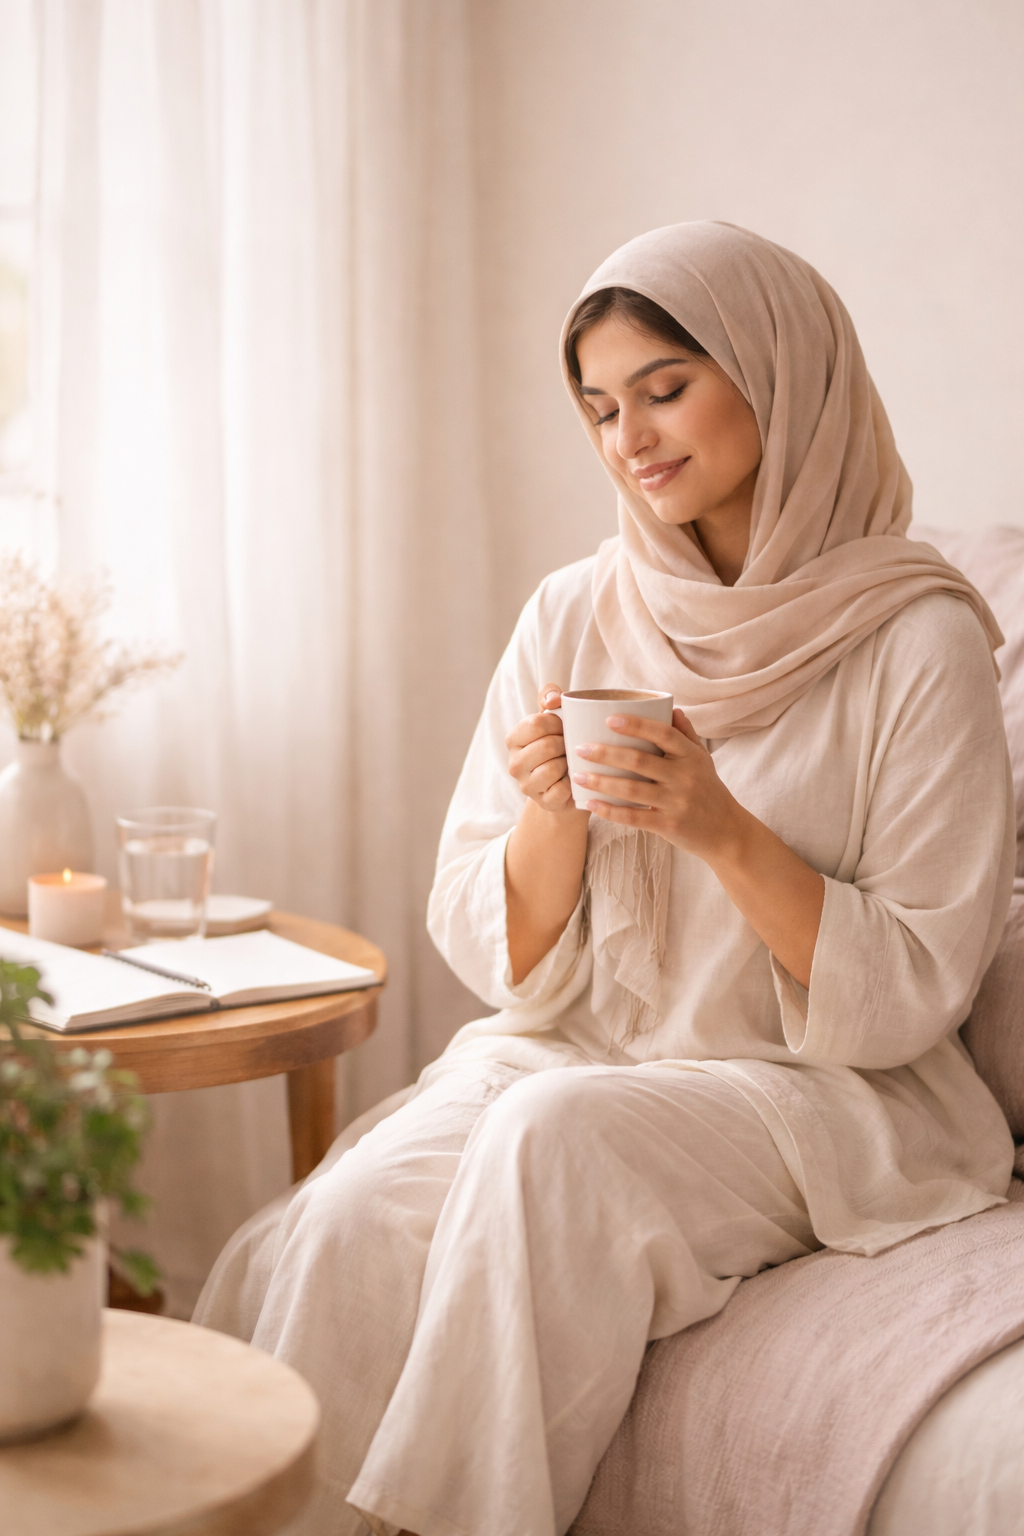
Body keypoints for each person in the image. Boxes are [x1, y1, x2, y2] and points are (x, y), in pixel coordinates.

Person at [195, 222, 1016, 1536]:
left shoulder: (920, 641)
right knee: (349, 1214)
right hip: (588, 1045)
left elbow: (921, 977)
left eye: (666, 387)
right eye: (598, 409)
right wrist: (552, 819)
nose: (631, 436)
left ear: (779, 370)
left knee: (546, 1145)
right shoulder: (576, 611)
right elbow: (490, 933)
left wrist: (719, 828)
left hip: (831, 1089)